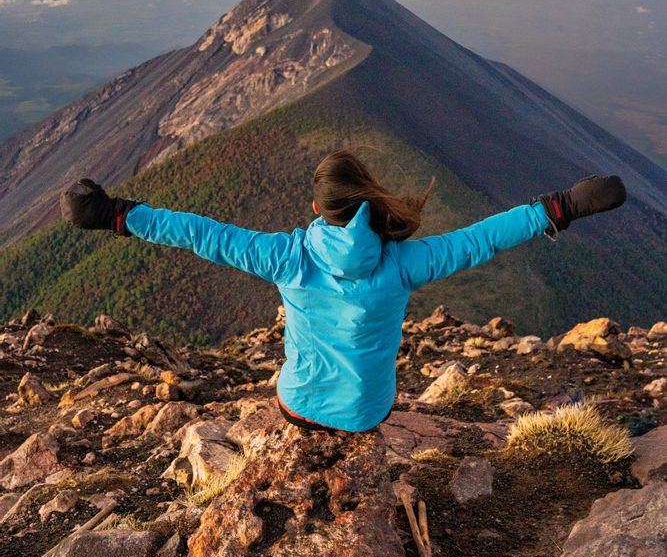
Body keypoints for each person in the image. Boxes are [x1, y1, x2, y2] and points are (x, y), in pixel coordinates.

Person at [60, 149, 626, 434]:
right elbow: (480, 240)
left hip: (298, 407)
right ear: (370, 200)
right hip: (366, 415)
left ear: (317, 210)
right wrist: (562, 206)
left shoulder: (286, 257)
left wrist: (114, 214)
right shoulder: (404, 264)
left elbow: (199, 233)